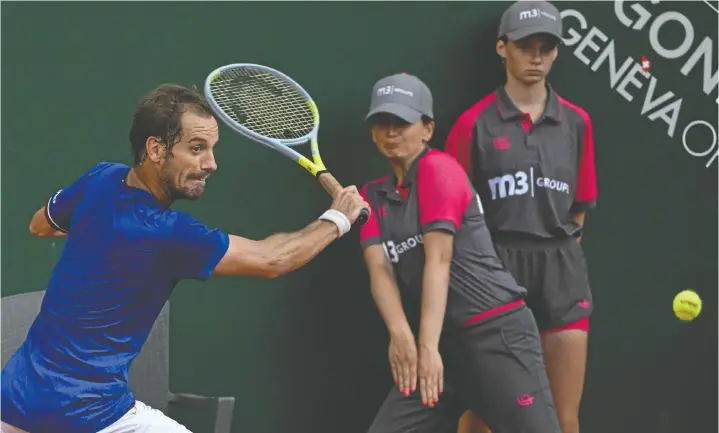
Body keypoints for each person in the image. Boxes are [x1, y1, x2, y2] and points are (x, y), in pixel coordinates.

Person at [0, 83, 369, 433]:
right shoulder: (167, 233)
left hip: (16, 398)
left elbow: (40, 225)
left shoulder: (101, 178)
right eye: (196, 148)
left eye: (212, 148)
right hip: (86, 414)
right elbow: (272, 260)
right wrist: (339, 217)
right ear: (156, 149)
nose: (211, 163)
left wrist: (100, 234)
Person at [358, 72, 562, 433]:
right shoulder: (371, 196)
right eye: (382, 122)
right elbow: (380, 269)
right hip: (439, 344)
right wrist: (401, 336)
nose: (391, 132)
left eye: (402, 122)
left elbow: (439, 261)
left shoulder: (439, 168)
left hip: (495, 334)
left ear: (427, 129)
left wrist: (427, 346)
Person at [444, 3, 598, 433]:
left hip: (561, 271)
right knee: (485, 415)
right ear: (501, 47)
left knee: (563, 416)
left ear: (556, 54)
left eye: (545, 47)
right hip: (495, 271)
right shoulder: (472, 124)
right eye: (524, 46)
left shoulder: (577, 123)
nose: (536, 57)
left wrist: (553, 255)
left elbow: (579, 208)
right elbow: (452, 215)